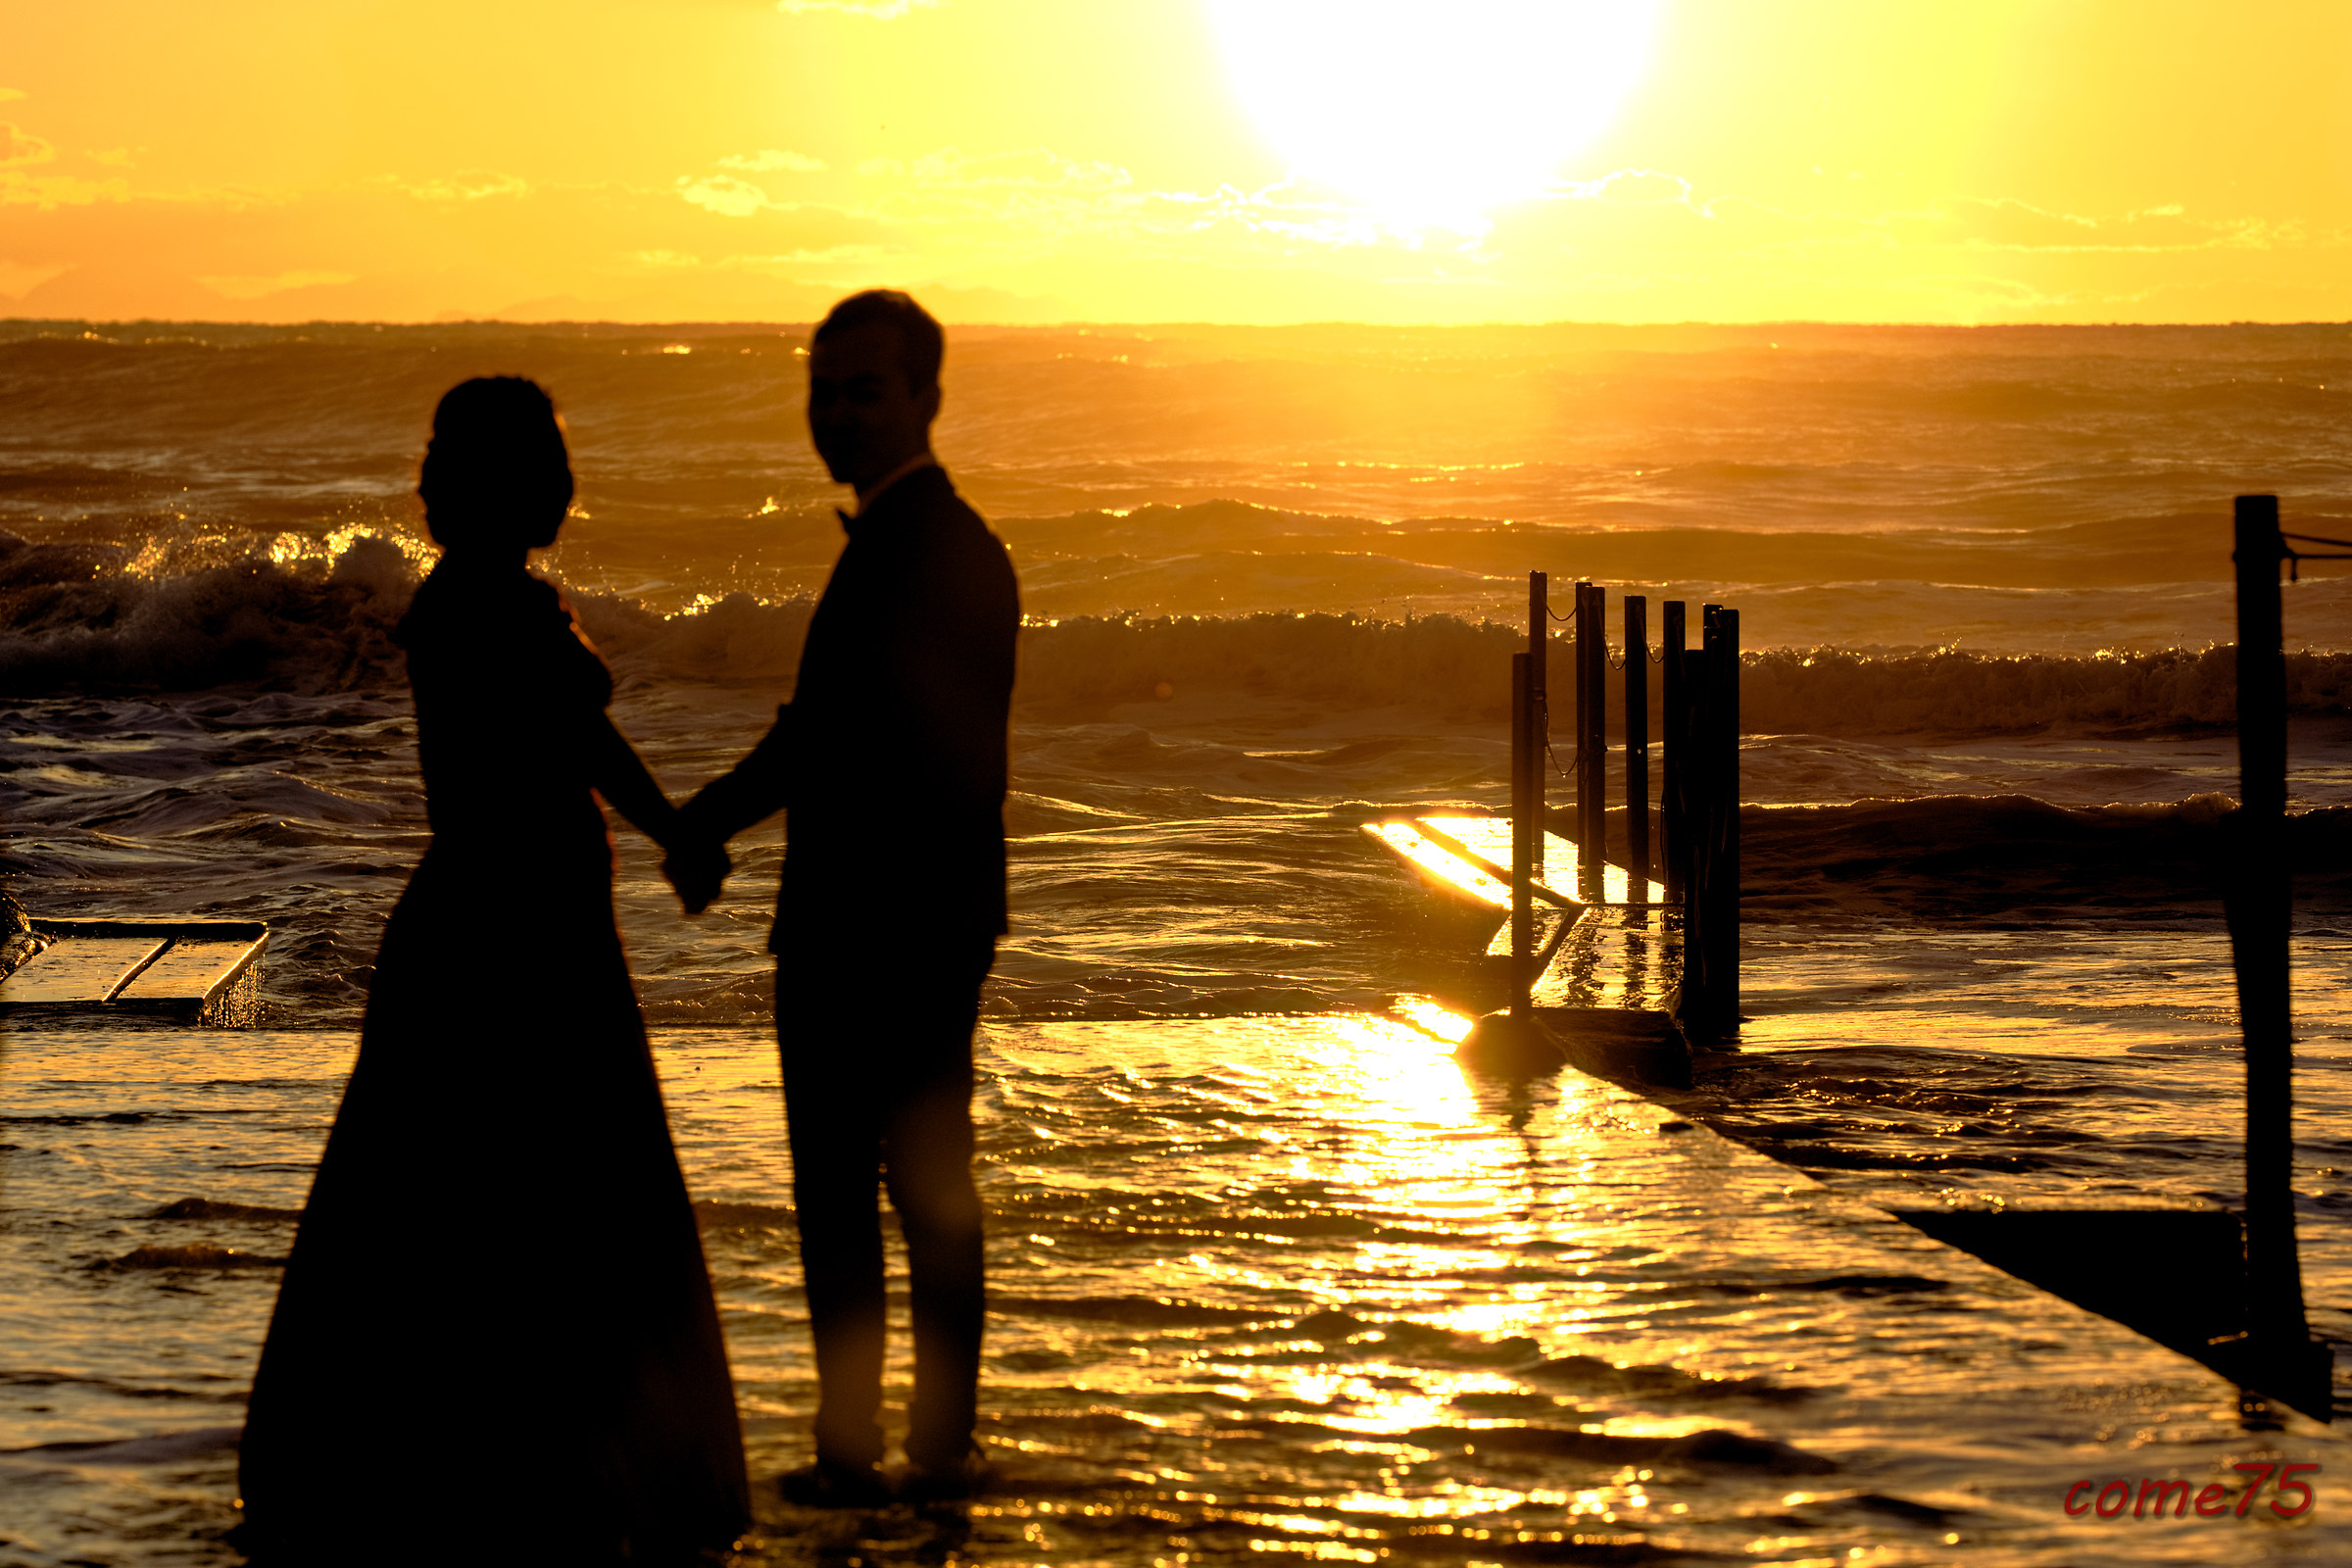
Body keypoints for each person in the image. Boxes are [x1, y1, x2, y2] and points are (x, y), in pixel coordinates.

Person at [237, 377, 751, 1563]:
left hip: (511, 918)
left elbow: (578, 743)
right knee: (546, 1193)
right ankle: (566, 1473)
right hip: (514, 931)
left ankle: (464, 1465)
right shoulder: (488, 609)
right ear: (510, 480)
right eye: (549, 461)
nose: (569, 483)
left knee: (453, 1198)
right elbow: (575, 742)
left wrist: (671, 832)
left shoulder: (481, 599)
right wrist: (677, 835)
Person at [666, 290, 1019, 1507]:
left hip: (881, 924)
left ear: (927, 397)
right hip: (918, 915)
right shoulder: (917, 542)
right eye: (824, 391)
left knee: (859, 1189)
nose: (838, 413)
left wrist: (703, 821)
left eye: (864, 389)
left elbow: (832, 739)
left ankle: (877, 1448)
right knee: (912, 1183)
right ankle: (916, 1442)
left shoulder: (926, 550)